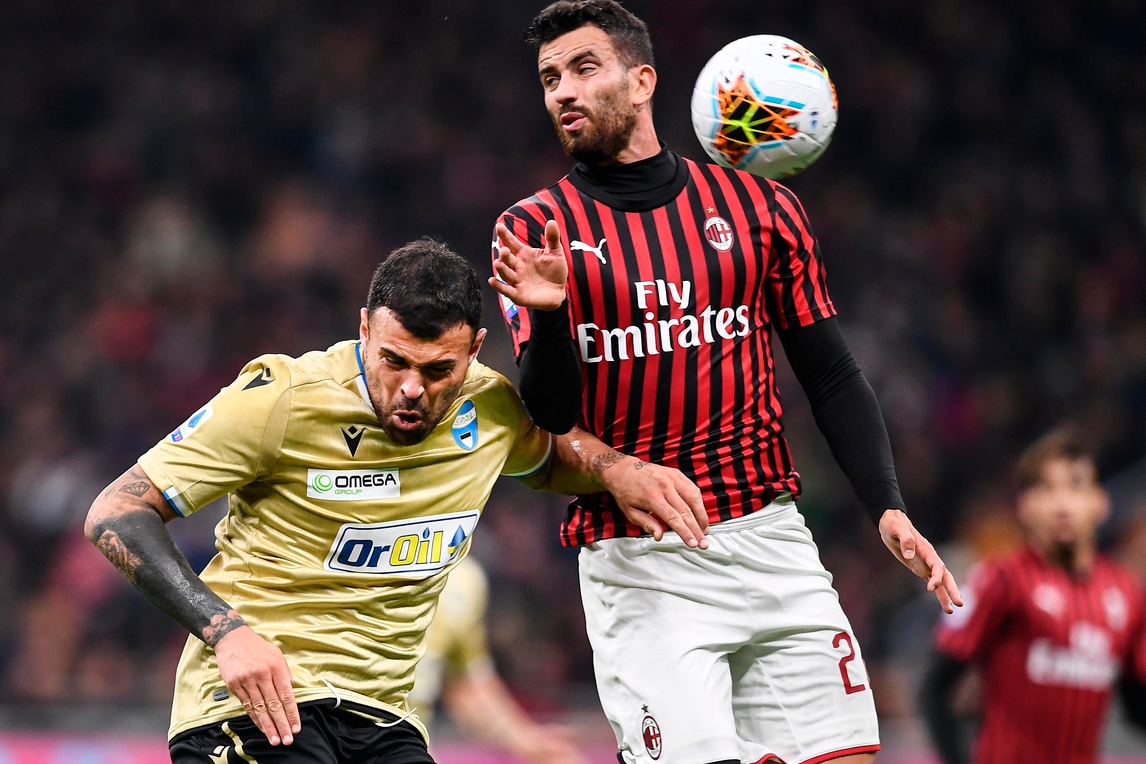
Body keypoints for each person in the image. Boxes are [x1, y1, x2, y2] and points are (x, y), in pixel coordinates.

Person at [487, 2, 963, 763]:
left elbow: (831, 372)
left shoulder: (762, 208)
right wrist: (547, 316)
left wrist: (886, 504)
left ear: (642, 81)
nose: (563, 91)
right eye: (549, 79)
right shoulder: (534, 228)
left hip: (773, 539)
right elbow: (548, 412)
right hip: (641, 559)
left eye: (583, 68)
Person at [84, 237, 706, 764]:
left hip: (385, 720)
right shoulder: (282, 397)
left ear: (474, 351)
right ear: (364, 329)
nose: (411, 388)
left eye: (437, 371)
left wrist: (617, 469)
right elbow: (116, 512)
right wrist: (226, 632)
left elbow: (551, 458)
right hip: (254, 708)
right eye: (393, 361)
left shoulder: (489, 411)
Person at [919, 428, 1146, 764]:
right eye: (1046, 488)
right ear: (1025, 505)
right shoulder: (999, 580)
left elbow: (1136, 702)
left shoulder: (1126, 593)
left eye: (1076, 486)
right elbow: (935, 690)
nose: (1062, 504)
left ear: (1101, 501)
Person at [411, 554, 588, 764]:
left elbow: (465, 684)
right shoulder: (372, 564)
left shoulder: (462, 578)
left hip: (406, 746)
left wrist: (529, 742)